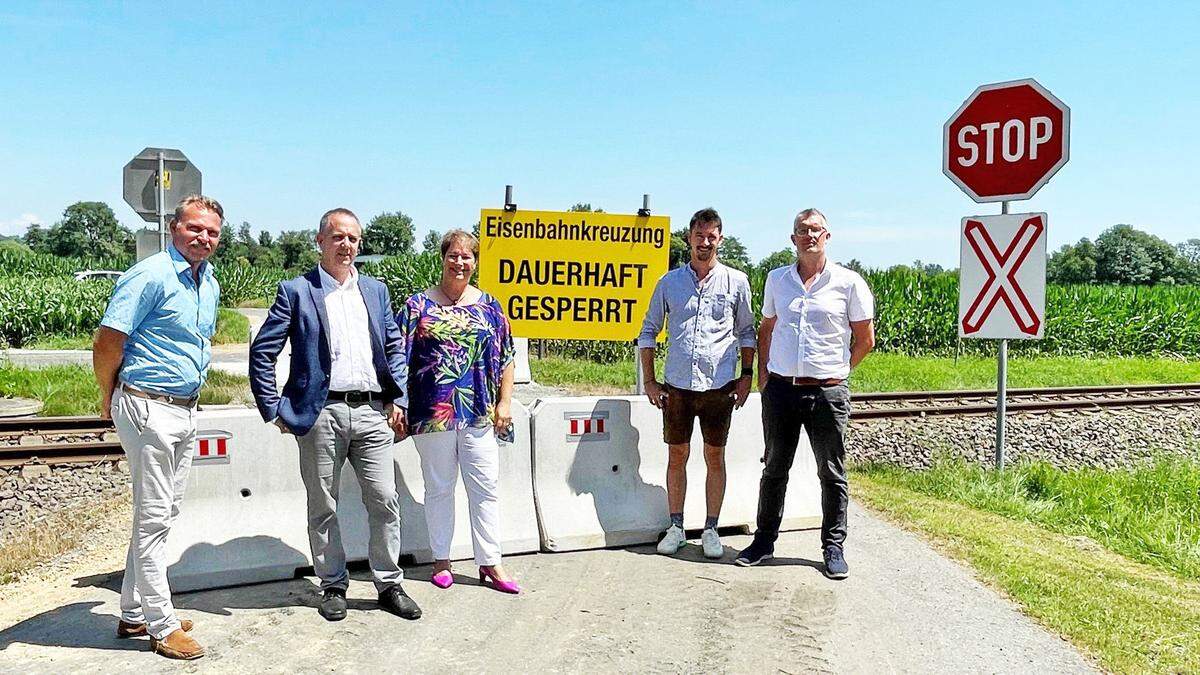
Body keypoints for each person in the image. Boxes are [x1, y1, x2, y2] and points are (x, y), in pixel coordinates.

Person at [248, 207, 420, 622]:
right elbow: (262, 352)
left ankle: (388, 583)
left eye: (353, 239)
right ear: (320, 241)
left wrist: (398, 399)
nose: (346, 245)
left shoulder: (376, 291)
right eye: (338, 237)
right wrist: (274, 409)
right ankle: (332, 584)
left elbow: (394, 346)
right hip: (321, 413)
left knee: (384, 499)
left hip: (372, 412)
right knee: (323, 503)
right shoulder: (296, 291)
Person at [93, 195, 224, 660]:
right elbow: (109, 340)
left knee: (163, 515)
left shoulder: (207, 282)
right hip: (148, 406)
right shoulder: (149, 275)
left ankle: (133, 611)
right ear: (174, 228)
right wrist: (110, 397)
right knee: (153, 519)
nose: (203, 238)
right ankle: (162, 625)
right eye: (194, 228)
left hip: (184, 409)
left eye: (211, 232)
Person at [735, 208, 875, 579]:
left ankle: (833, 547)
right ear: (792, 239)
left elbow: (865, 339)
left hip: (827, 393)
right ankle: (763, 542)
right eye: (802, 230)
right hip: (781, 391)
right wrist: (763, 376)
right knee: (774, 469)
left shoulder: (849, 283)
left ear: (827, 236)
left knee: (831, 473)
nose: (809, 236)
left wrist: (839, 371)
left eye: (816, 230)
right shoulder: (777, 280)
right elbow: (766, 328)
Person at [398, 229, 520, 593]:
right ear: (442, 258)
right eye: (453, 255)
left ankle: (490, 562)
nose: (460, 262)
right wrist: (399, 405)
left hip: (479, 412)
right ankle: (441, 560)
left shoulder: (490, 306)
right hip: (431, 413)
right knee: (439, 488)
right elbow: (398, 360)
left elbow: (507, 356)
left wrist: (505, 402)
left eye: (467, 256)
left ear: (475, 261)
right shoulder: (417, 306)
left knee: (485, 487)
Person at [637, 208, 756, 559]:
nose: (705, 243)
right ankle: (676, 527)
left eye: (712, 236)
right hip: (678, 386)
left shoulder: (737, 282)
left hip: (719, 386)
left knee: (715, 456)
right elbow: (647, 332)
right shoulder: (669, 283)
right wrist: (650, 381)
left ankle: (710, 529)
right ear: (689, 238)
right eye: (699, 236)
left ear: (720, 239)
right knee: (677, 454)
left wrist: (747, 376)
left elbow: (747, 332)